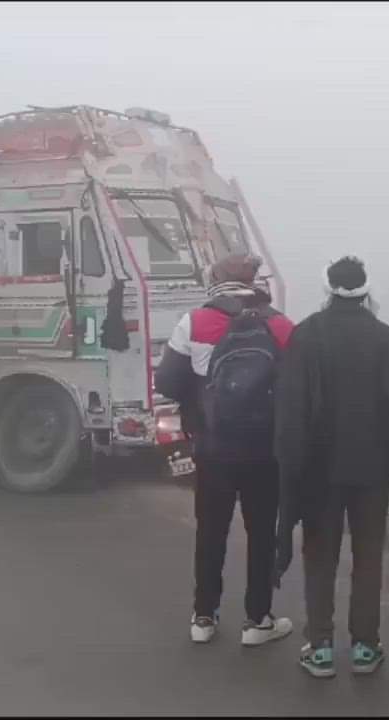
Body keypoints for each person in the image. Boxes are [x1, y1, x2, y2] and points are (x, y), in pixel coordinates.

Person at [273, 256, 389, 679]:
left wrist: (291, 465)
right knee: (368, 556)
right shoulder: (384, 337)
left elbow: (290, 408)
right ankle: (365, 648)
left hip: (319, 472)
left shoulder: (306, 336)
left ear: (328, 288)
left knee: (320, 556)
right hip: (372, 471)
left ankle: (319, 647)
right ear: (365, 289)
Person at [154, 253, 296, 647]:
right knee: (262, 533)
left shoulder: (195, 321)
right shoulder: (280, 324)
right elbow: (296, 387)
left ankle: (203, 617)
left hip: (213, 447)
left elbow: (166, 381)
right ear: (253, 282)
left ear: (216, 279)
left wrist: (199, 400)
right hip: (265, 450)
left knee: (211, 530)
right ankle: (258, 621)